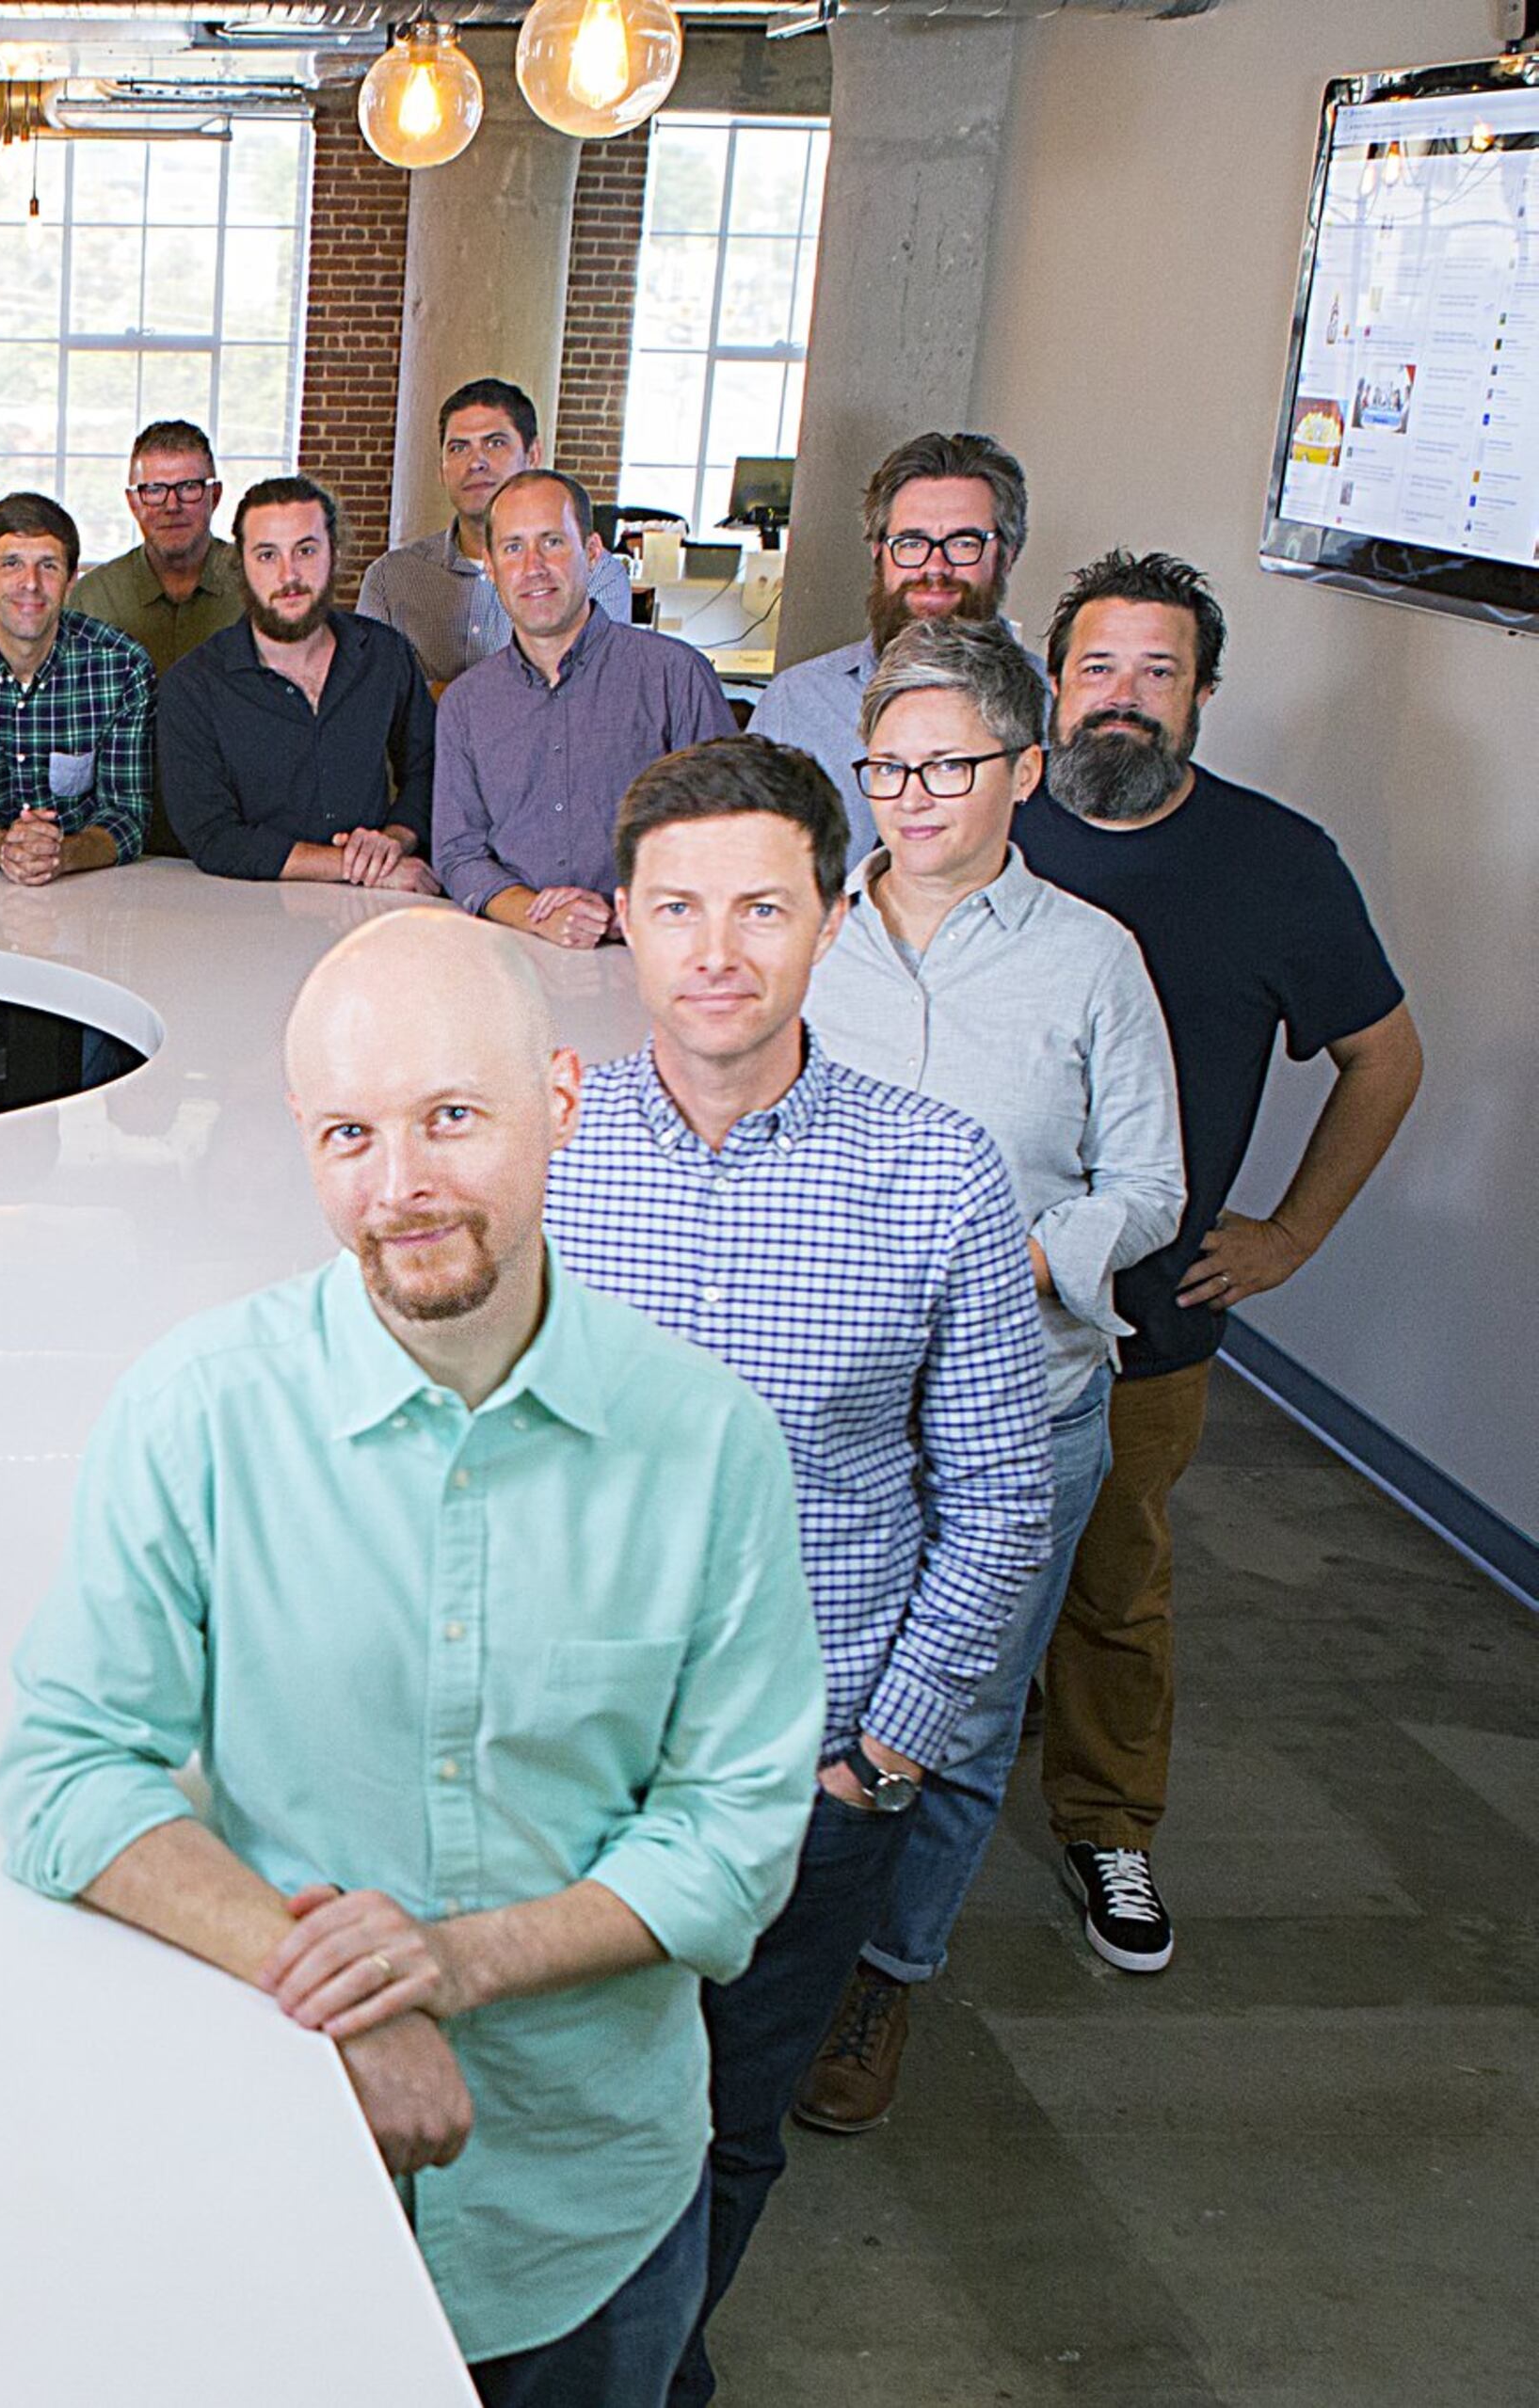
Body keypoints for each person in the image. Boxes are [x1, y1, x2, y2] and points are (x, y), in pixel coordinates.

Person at [0, 910, 824, 2405]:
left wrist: (453, 1960)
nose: (401, 1187)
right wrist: (353, 2002)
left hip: (593, 2211)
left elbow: (737, 1838)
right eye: (347, 1133)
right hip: (278, 2176)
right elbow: (62, 1773)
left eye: (453, 1115)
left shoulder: (706, 1443)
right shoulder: (196, 1413)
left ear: (561, 1098)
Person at [541, 735, 1051, 2408]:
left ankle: (651, 2374)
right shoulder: (543, 1146)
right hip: (556, 1759)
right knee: (533, 2109)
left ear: (836, 916)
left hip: (800, 1772)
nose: (717, 948)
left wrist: (877, 1757)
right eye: (677, 905)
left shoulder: (935, 1169)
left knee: (722, 2123)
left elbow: (1000, 1499)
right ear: (620, 917)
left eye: (765, 904)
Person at [792, 618, 1184, 2131]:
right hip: (835, 1404)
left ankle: (890, 1967)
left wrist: (1005, 1255)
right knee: (821, 1693)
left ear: (1024, 770)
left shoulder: (1093, 959)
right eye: (887, 765)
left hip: (1021, 1407)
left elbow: (1149, 1187)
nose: (913, 795)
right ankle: (775, 1947)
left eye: (948, 765)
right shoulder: (811, 934)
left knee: (955, 1715)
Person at [1011, 550, 1419, 1977]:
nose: (1123, 700)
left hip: (1148, 1313)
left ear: (1201, 697)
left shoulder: (1278, 863)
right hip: (969, 1292)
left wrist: (1292, 1232)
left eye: (1159, 673)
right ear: (1053, 686)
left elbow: (1385, 1056)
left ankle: (1108, 1815)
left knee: (1118, 1580)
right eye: (1099, 669)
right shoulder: (984, 829)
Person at [430, 470, 735, 949]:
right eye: (513, 548)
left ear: (592, 552)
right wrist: (538, 916)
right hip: (515, 950)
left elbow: (728, 833)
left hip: (657, 951)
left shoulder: (676, 677)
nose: (532, 567)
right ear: (489, 565)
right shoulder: (465, 704)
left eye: (552, 542)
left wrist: (624, 917)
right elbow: (458, 854)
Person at [745, 431, 1049, 851]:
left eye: (964, 543)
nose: (934, 567)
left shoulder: (1054, 704)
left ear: (1008, 554)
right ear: (877, 551)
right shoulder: (796, 703)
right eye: (911, 543)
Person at [158, 474, 441, 890]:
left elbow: (430, 769)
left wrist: (394, 840)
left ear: (335, 553)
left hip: (375, 903)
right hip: (245, 915)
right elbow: (213, 837)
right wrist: (349, 864)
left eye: (305, 550)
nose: (289, 575)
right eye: (267, 555)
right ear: (241, 566)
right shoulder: (192, 686)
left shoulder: (385, 655)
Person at [0, 490, 154, 885]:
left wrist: (61, 854)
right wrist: (3, 848)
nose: (31, 584)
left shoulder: (122, 666)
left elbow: (127, 815)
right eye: (11, 564)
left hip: (88, 886)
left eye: (49, 566)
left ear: (71, 581)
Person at [356, 376, 636, 689]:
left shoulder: (594, 572)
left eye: (495, 443)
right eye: (459, 447)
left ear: (532, 455)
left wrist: (432, 691)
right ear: (441, 469)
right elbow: (373, 698)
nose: (476, 462)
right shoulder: (389, 579)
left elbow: (585, 692)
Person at [66, 418, 247, 676]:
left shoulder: (257, 585)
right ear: (133, 502)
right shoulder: (94, 600)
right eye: (153, 490)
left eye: (188, 487)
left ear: (214, 496)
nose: (172, 506)